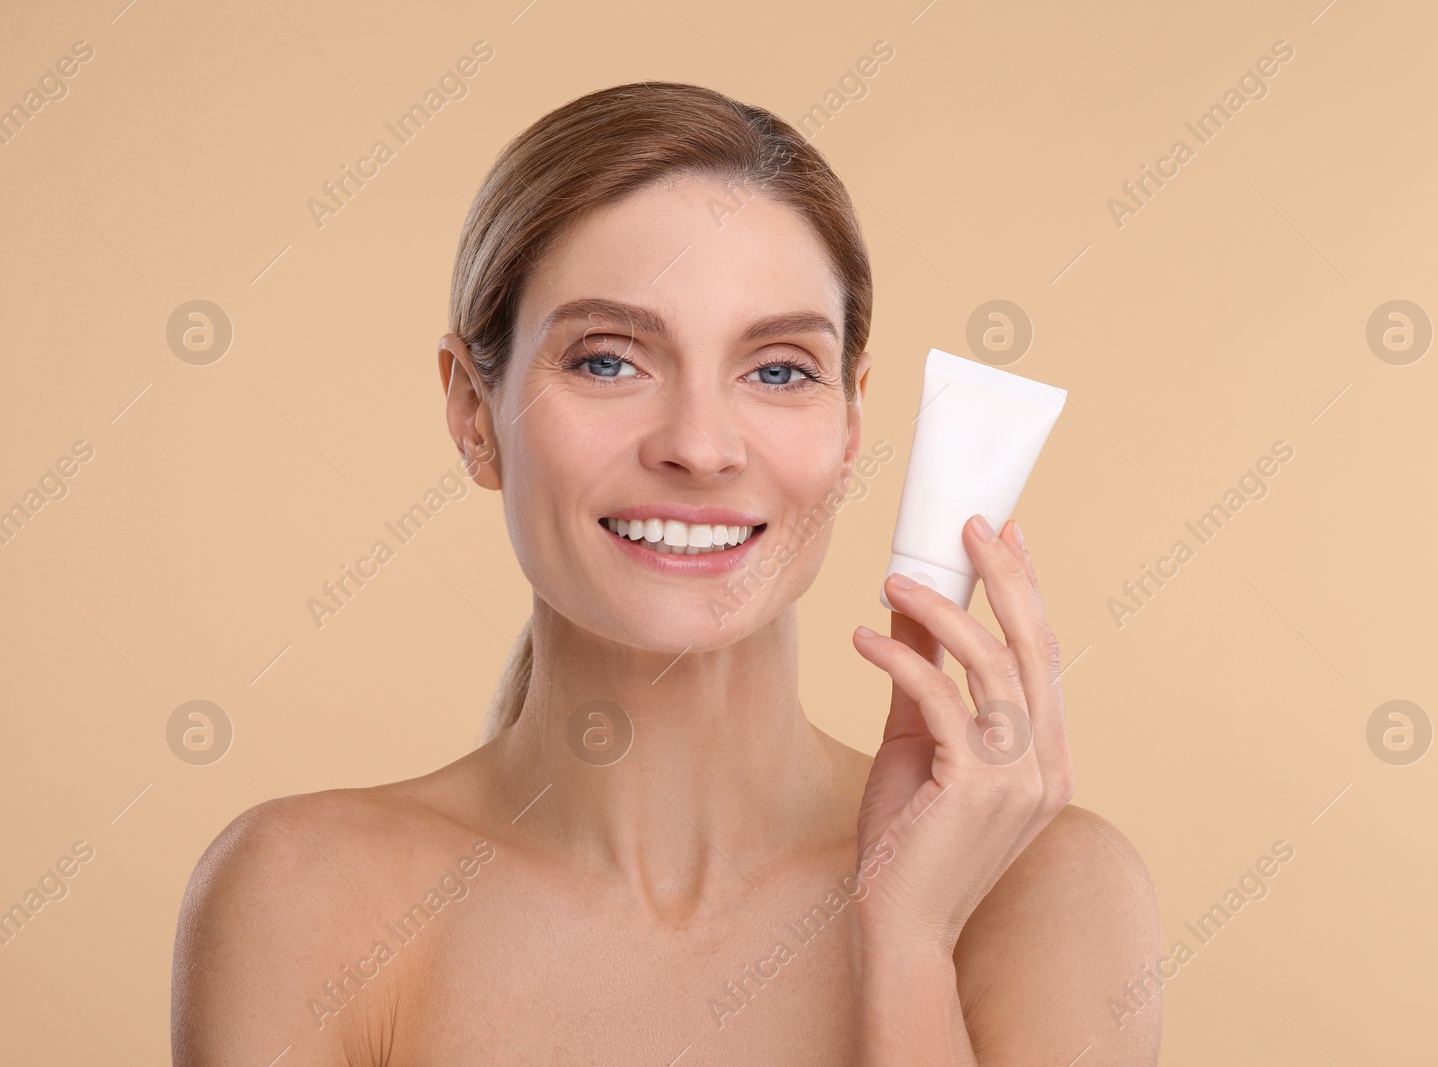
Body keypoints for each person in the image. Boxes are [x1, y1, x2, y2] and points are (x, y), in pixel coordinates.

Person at [171, 81, 1161, 1065]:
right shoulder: (301, 896)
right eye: (607, 360)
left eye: (777, 369)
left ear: (852, 421)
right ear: (474, 413)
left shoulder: (1045, 893)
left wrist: (905, 943)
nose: (699, 445)